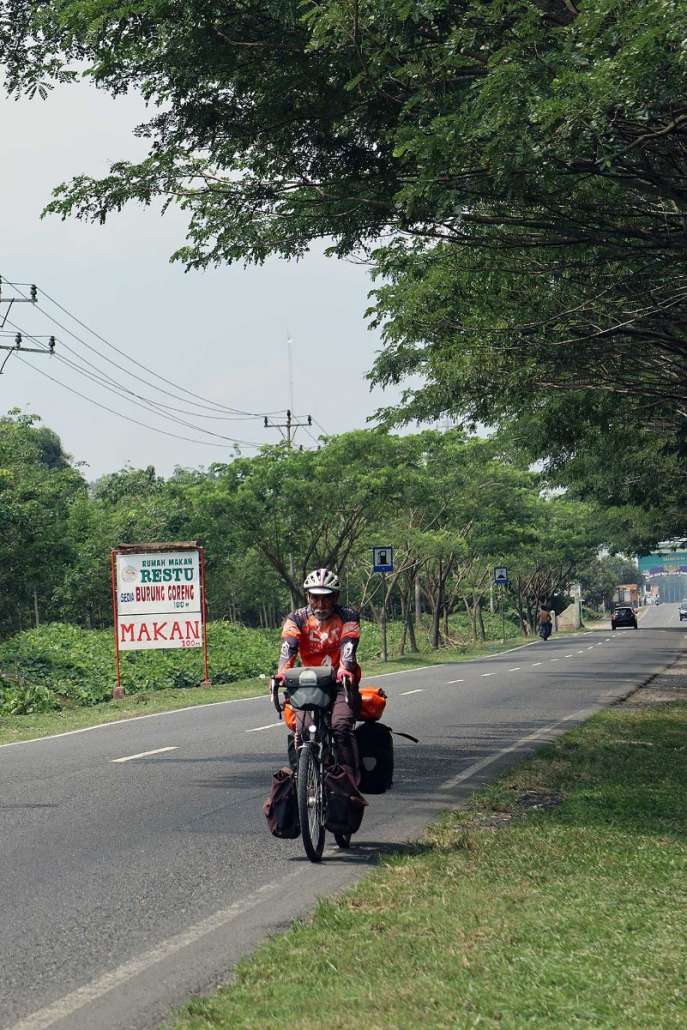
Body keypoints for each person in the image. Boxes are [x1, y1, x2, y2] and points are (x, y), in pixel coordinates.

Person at [273, 568, 361, 779]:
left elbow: (348, 646)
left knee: (340, 727)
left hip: (341, 682)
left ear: (336, 597)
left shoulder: (348, 616)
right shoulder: (297, 618)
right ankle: (303, 778)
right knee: (303, 730)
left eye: (326, 598)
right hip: (307, 682)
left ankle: (349, 781)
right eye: (315, 598)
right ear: (307, 597)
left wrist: (345, 670)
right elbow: (289, 647)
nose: (320, 605)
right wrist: (282, 673)